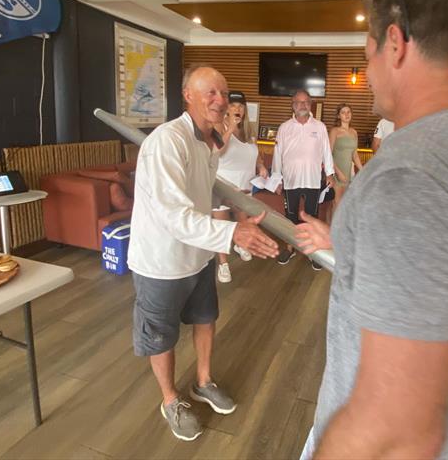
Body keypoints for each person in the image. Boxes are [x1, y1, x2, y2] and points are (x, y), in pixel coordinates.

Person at [294, 0, 448, 459]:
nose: (370, 74)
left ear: (394, 43)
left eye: (367, 57)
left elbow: (395, 423)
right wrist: (349, 247)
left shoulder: (413, 173)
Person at [127, 66, 278, 441]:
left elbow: (206, 189)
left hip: (198, 254)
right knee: (161, 335)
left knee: (205, 317)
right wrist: (234, 232)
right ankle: (169, 400)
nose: (220, 100)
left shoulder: (207, 143)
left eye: (224, 94)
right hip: (160, 261)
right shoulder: (167, 141)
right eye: (209, 92)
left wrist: (240, 205)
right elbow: (173, 215)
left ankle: (204, 381)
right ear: (188, 96)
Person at [271, 89, 335, 269]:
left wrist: (329, 173)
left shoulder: (320, 126)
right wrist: (277, 179)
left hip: (313, 180)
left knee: (311, 217)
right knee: (290, 218)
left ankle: (312, 252)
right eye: (299, 102)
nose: (303, 105)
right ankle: (290, 248)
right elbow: (277, 155)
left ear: (311, 103)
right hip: (290, 181)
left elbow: (326, 152)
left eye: (306, 101)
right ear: (293, 105)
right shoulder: (284, 127)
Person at [211, 91, 268, 283]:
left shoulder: (249, 131)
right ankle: (223, 264)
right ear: (226, 107)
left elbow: (256, 155)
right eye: (234, 105)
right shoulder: (220, 125)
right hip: (223, 184)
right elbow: (218, 150)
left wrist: (261, 166)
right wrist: (230, 129)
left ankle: (239, 245)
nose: (238, 109)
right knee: (221, 225)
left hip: (245, 185)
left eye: (241, 106)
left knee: (243, 219)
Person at [329, 103, 363, 210]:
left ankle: (333, 226)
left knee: (343, 206)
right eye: (343, 112)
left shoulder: (354, 132)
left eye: (348, 112)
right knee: (336, 203)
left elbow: (355, 155)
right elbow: (328, 154)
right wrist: (338, 172)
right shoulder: (335, 131)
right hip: (336, 172)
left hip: (348, 173)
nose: (346, 114)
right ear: (339, 116)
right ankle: (332, 226)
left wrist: (363, 171)